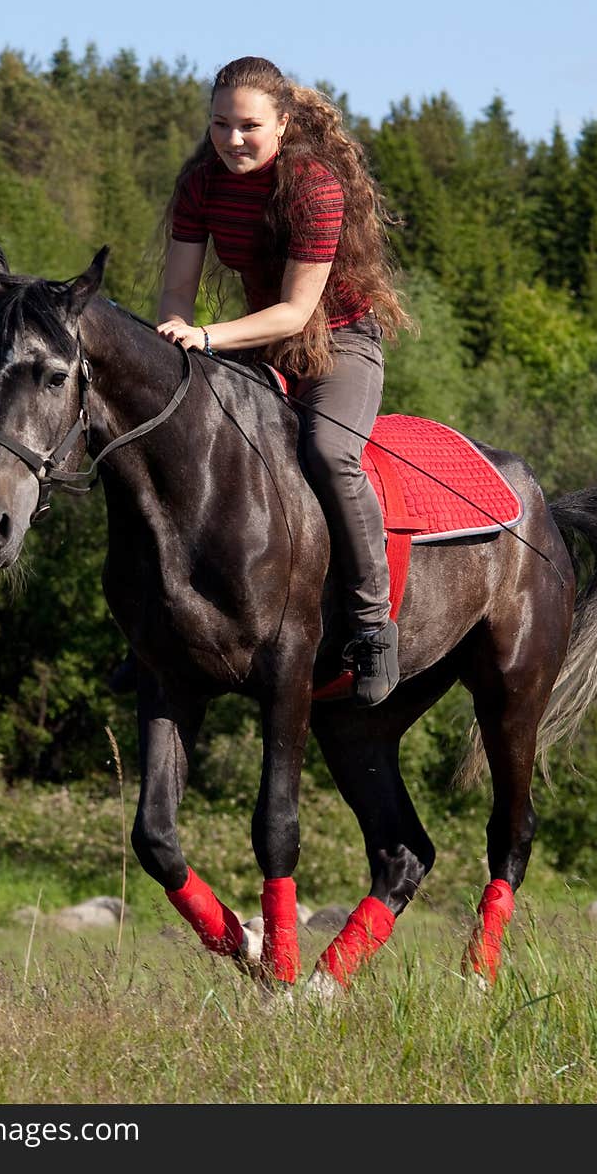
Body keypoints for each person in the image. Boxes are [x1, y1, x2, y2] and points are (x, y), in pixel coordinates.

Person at [127, 55, 413, 706]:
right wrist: (178, 337)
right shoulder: (202, 183)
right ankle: (155, 626)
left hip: (339, 343)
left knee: (329, 453)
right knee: (180, 438)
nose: (232, 139)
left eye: (249, 126)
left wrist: (203, 337)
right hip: (257, 344)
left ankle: (372, 627)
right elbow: (175, 295)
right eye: (221, 124)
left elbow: (294, 312)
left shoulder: (314, 186)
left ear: (283, 123)